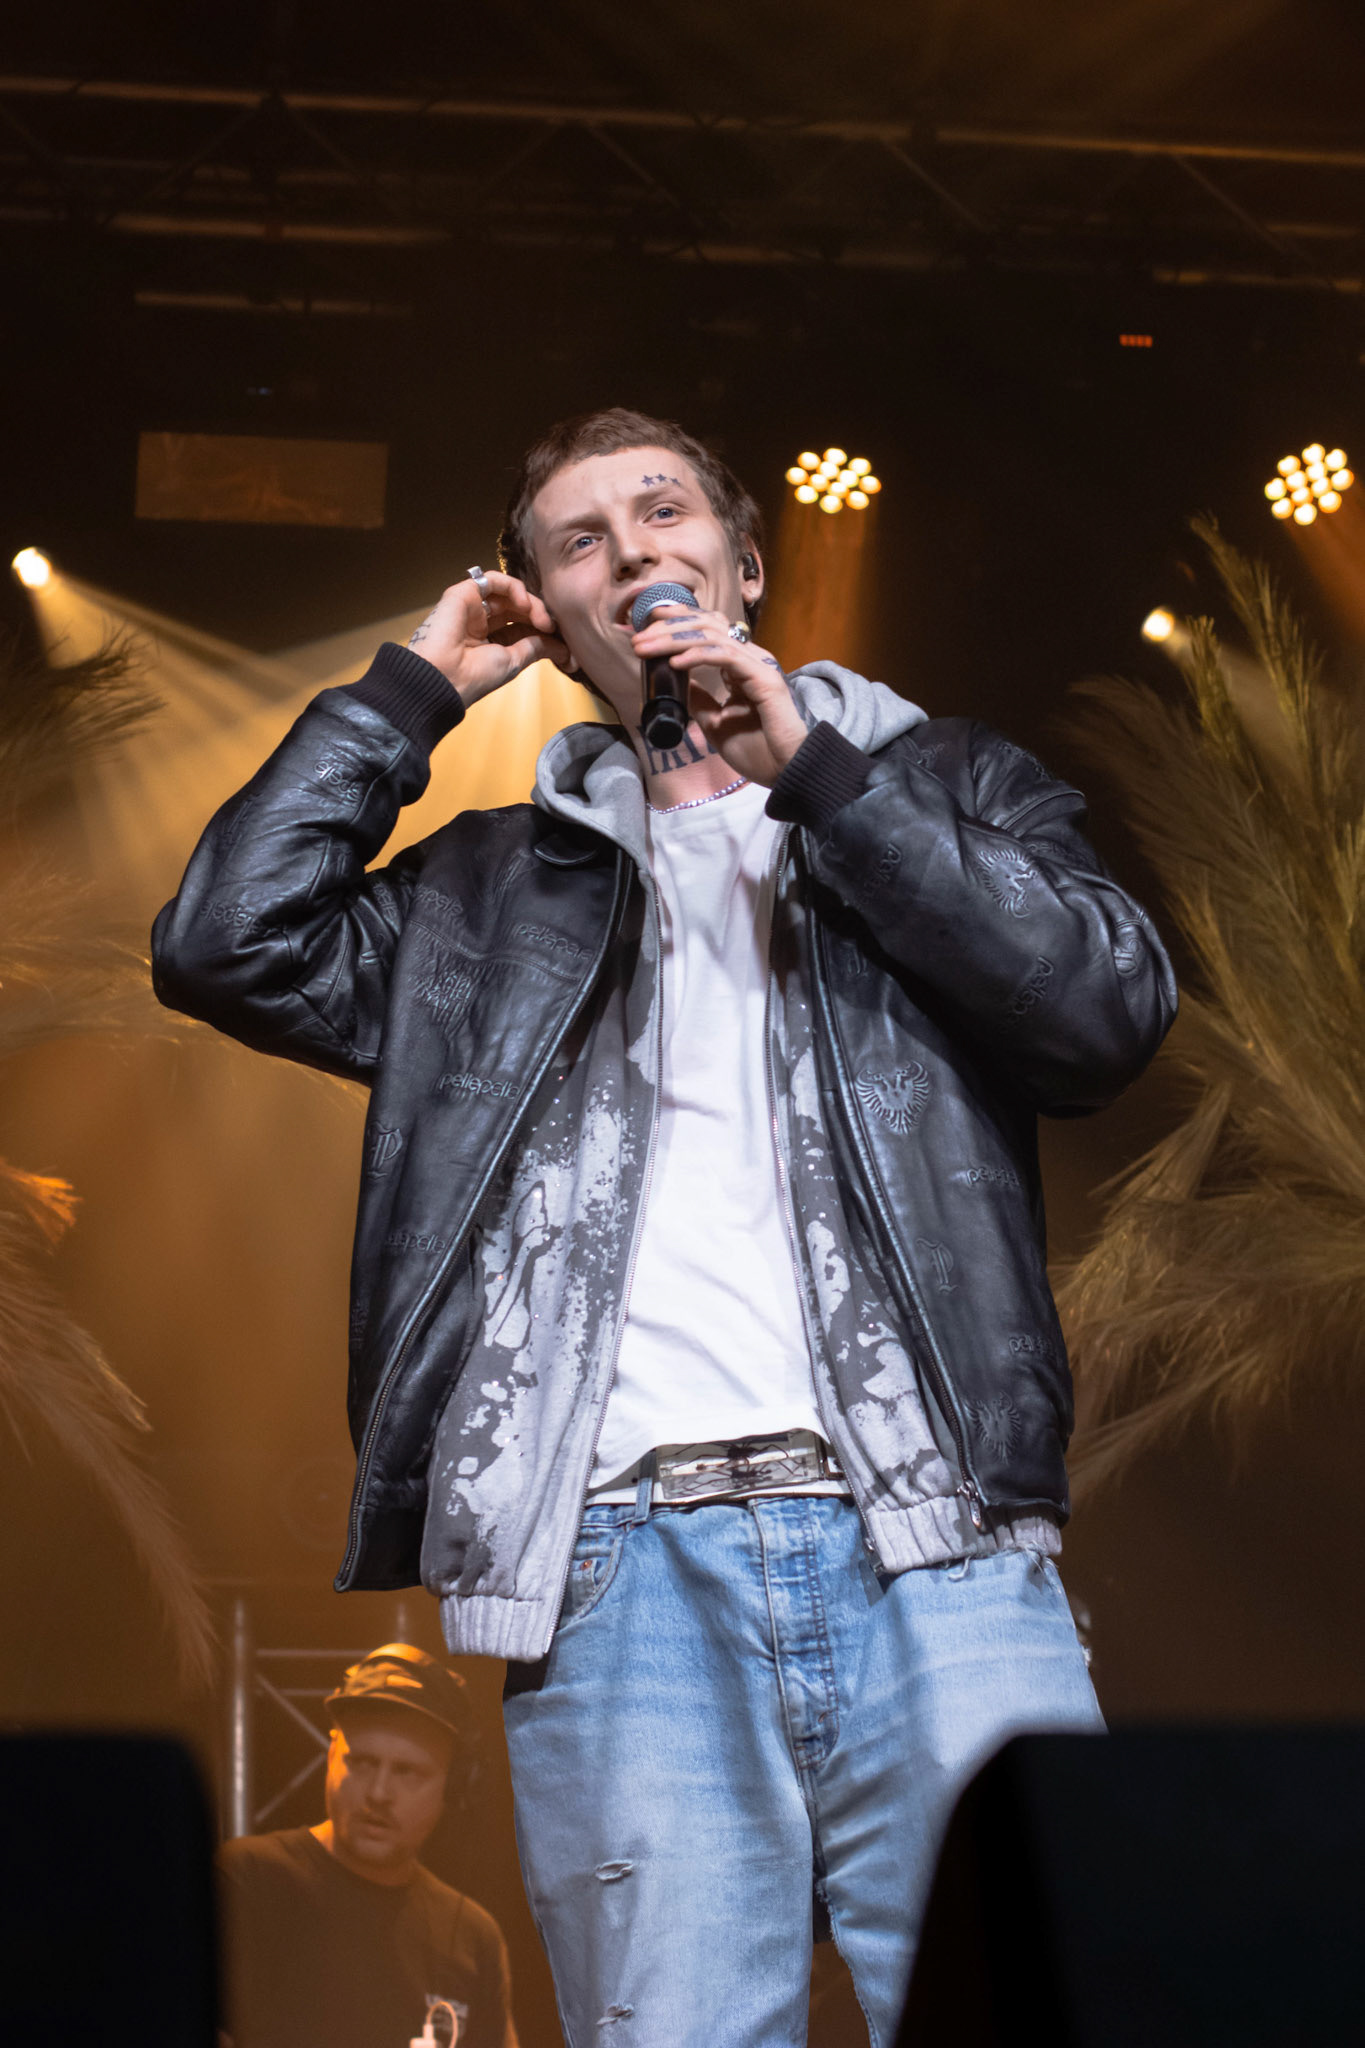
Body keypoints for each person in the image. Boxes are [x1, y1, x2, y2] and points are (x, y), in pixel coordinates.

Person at [155, 407, 1177, 2047]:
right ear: (550, 621)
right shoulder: (484, 897)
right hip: (622, 1569)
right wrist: (410, 694)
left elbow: (1103, 1011)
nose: (630, 549)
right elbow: (222, 941)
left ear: (744, 565)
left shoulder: (946, 787)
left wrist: (825, 786)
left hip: (937, 1544)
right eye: (580, 539)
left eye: (662, 512)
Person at [219, 1643, 516, 2048]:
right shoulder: (247, 1881)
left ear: (451, 1788)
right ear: (331, 1757)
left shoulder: (473, 1938)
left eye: (407, 1772)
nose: (378, 1792)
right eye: (361, 1762)